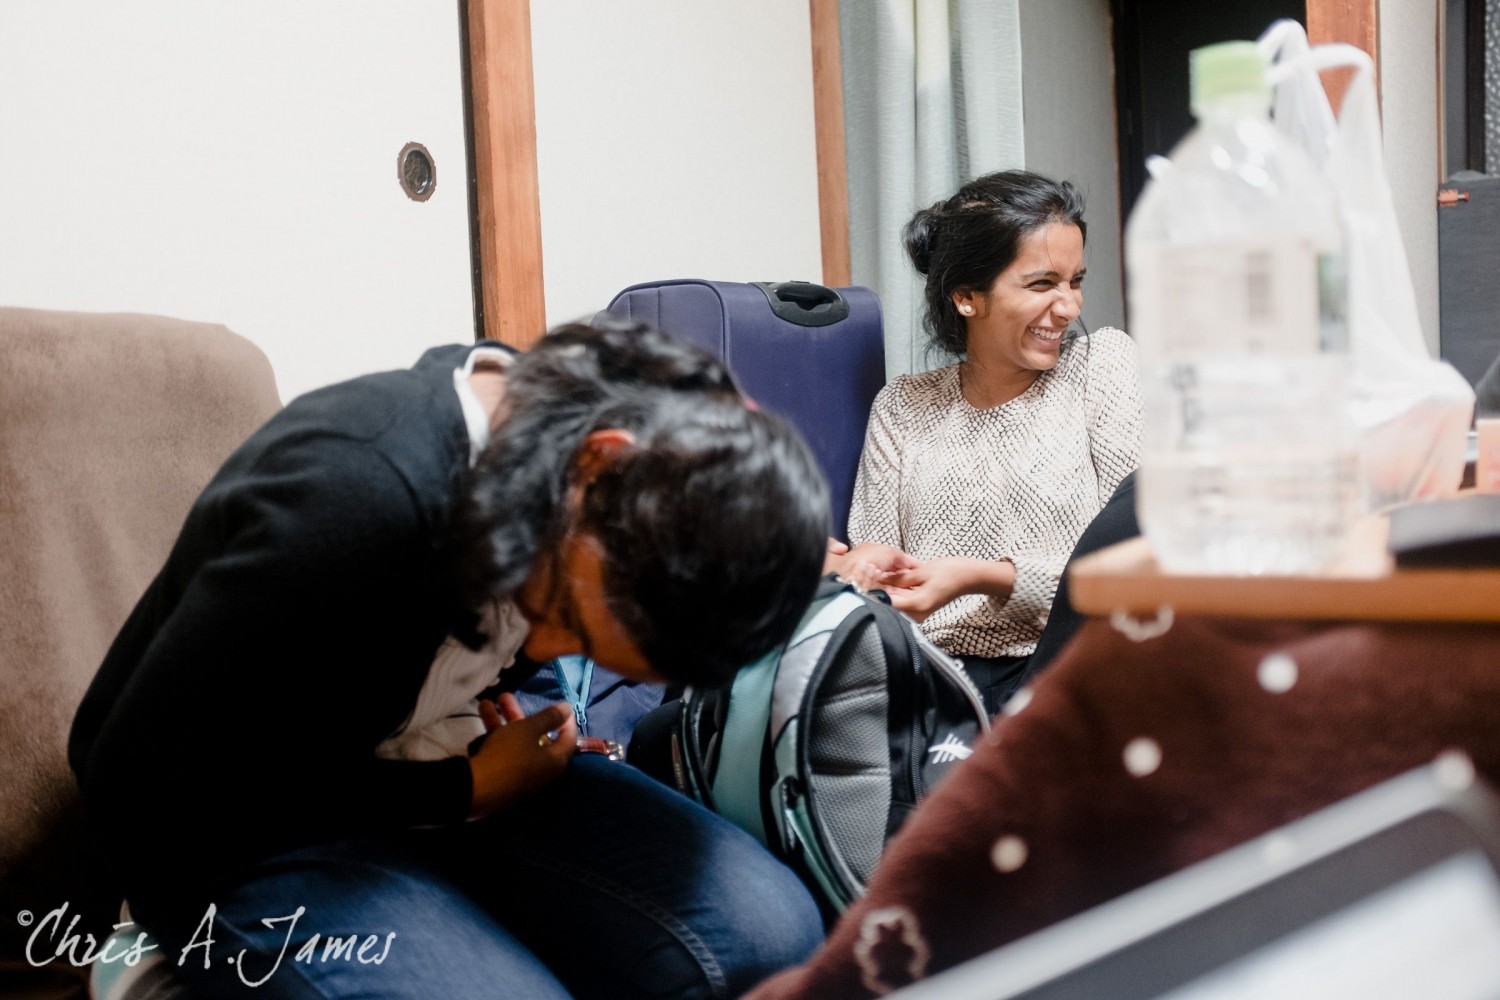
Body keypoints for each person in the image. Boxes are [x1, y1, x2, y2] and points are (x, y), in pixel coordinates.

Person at [67, 319, 829, 999]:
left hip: (431, 767)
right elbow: (134, 786)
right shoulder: (357, 494)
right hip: (231, 832)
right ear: (600, 466)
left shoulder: (601, 438)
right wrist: (461, 789)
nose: (549, 649)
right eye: (565, 619)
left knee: (771, 936)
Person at [826, 170, 1142, 713]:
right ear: (968, 297)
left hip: (1065, 664)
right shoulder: (903, 406)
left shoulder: (1100, 366)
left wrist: (983, 577)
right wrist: (863, 566)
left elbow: (1135, 559)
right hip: (935, 679)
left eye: (1075, 281)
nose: (1069, 307)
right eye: (1043, 284)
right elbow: (881, 581)